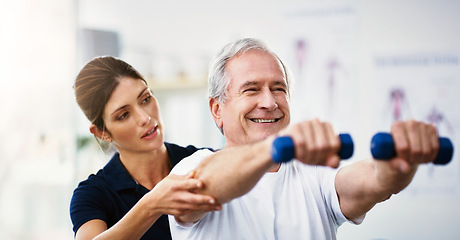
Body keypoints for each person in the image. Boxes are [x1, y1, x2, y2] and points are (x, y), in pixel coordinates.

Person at [168, 38, 440, 239]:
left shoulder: (312, 174)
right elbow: (205, 189)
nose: (269, 102)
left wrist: (395, 166)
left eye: (278, 89)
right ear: (217, 109)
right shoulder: (191, 168)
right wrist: (273, 150)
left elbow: (371, 182)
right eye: (251, 90)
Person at [70, 56, 221, 240]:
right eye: (124, 115)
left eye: (145, 99)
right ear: (102, 132)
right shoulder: (93, 195)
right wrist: (153, 204)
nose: (145, 118)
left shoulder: (202, 160)